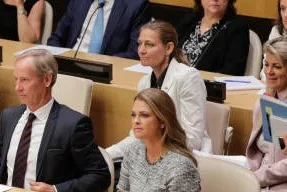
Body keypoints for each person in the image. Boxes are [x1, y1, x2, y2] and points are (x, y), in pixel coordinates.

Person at [0, 49, 110, 192]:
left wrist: (55, 190)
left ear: (47, 79)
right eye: (16, 80)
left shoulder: (72, 124)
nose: (17, 88)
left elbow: (100, 175)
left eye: (24, 80)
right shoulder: (9, 116)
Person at [107, 20, 211, 162]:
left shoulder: (188, 77)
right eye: (140, 43)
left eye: (149, 44)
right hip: (151, 156)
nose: (141, 50)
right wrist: (105, 155)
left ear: (168, 48)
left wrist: (154, 150)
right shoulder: (144, 82)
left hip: (184, 159)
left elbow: (192, 139)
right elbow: (137, 137)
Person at [246, 36, 287, 192]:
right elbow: (260, 150)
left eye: (277, 66)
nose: (269, 72)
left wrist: (256, 179)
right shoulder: (267, 99)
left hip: (279, 187)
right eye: (266, 64)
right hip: (260, 177)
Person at [46, 0, 151, 59]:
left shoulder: (136, 5)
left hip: (105, 69)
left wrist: (101, 61)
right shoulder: (79, 2)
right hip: (70, 62)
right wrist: (64, 58)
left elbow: (135, 51)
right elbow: (56, 38)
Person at [176, 0, 249, 75]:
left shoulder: (237, 28)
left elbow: (232, 70)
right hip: (175, 81)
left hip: (208, 84)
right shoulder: (188, 21)